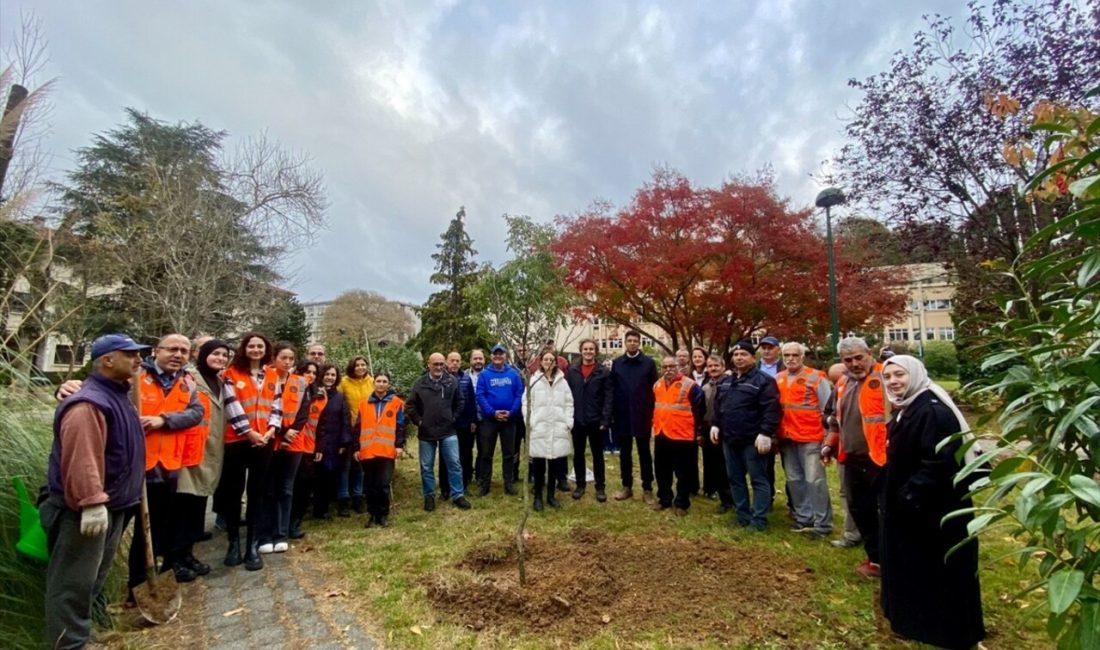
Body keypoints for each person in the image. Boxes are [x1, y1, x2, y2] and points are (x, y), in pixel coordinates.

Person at [41, 334, 148, 650]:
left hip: (114, 506)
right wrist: (91, 501)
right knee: (72, 584)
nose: (139, 360)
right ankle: (71, 644)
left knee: (93, 579)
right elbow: (82, 457)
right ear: (108, 360)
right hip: (83, 511)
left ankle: (85, 635)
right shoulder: (88, 403)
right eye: (131, 355)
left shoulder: (117, 395)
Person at [880, 355, 985, 649]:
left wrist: (908, 495)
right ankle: (915, 622)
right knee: (916, 571)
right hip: (912, 511)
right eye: (887, 378)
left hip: (934, 513)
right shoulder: (910, 406)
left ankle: (947, 631)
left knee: (943, 574)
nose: (893, 382)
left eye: (899, 375)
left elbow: (941, 462)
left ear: (914, 374)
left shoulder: (932, 411)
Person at [128, 333, 206, 599]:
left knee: (155, 530)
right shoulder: (136, 377)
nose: (178, 355)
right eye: (172, 349)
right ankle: (124, 587)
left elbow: (196, 414)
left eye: (184, 351)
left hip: (168, 466)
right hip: (134, 465)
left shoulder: (186, 382)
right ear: (156, 351)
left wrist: (165, 419)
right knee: (128, 529)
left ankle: (146, 584)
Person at [214, 332, 282, 571]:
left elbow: (276, 404)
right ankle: (233, 543)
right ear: (244, 348)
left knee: (257, 493)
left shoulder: (273, 374)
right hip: (238, 441)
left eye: (260, 346)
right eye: (251, 346)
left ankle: (252, 544)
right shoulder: (231, 374)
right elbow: (232, 405)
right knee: (233, 493)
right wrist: (249, 432)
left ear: (266, 350)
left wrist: (271, 430)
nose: (255, 350)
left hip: (264, 442)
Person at [823, 337, 887, 578]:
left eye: (859, 357)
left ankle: (890, 558)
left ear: (869, 353)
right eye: (848, 360)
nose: (854, 363)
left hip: (880, 458)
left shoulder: (885, 378)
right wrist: (830, 443)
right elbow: (835, 420)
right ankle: (875, 559)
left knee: (884, 510)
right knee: (860, 508)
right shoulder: (842, 383)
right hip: (851, 456)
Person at [175, 339, 236, 570]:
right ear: (202, 354)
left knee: (198, 505)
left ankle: (188, 555)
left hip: (211, 451)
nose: (220, 358)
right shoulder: (188, 378)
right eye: (216, 354)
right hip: (189, 452)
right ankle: (175, 560)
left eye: (224, 355)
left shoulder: (221, 381)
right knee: (183, 506)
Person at [712, 340, 781, 531]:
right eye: (736, 355)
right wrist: (716, 425)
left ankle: (759, 520)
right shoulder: (727, 381)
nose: (739, 358)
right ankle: (742, 515)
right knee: (735, 478)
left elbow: (771, 409)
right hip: (730, 438)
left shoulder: (764, 381)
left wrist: (766, 432)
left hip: (753, 440)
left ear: (753, 357)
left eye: (743, 354)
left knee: (758, 479)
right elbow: (719, 405)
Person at [775, 342, 833, 539]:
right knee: (794, 480)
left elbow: (827, 409)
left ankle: (822, 523)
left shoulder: (816, 377)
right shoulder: (778, 379)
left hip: (811, 437)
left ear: (802, 356)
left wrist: (827, 437)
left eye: (794, 355)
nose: (790, 358)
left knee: (815, 481)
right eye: (787, 355)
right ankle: (803, 517)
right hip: (788, 438)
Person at [406, 353, 471, 511]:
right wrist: (419, 421)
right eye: (435, 364)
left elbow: (460, 401)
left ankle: (458, 495)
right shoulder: (419, 384)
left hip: (448, 430)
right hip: (426, 432)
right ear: (428, 364)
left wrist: (453, 417)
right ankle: (429, 496)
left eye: (442, 364)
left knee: (455, 464)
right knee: (427, 466)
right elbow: (410, 405)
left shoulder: (452, 381)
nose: (439, 367)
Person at [258, 343, 304, 554]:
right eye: (283, 358)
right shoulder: (265, 378)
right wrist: (280, 431)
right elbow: (263, 409)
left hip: (293, 443)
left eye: (291, 359)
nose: (287, 362)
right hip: (269, 439)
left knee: (286, 489)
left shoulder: (300, 382)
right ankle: (265, 534)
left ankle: (281, 533)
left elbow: (304, 411)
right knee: (268, 488)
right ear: (274, 358)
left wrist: (291, 431)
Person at [652, 356, 705, 515]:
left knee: (684, 472)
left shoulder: (690, 386)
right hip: (662, 433)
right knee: (662, 471)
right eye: (664, 366)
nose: (668, 369)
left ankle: (682, 503)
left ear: (678, 367)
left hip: (683, 436)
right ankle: (664, 499)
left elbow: (699, 411)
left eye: (671, 366)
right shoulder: (657, 385)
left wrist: (698, 432)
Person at [610, 330, 658, 502]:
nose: (632, 343)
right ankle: (627, 486)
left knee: (644, 453)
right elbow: (612, 389)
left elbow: (655, 391)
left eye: (635, 341)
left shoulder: (649, 363)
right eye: (629, 340)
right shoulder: (617, 364)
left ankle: (647, 488)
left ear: (639, 343)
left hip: (642, 415)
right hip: (622, 415)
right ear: (625, 342)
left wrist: (653, 415)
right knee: (625, 453)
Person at [524, 351, 574, 512]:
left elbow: (569, 403)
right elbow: (526, 403)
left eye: (551, 360)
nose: (548, 362)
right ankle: (538, 496)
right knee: (538, 464)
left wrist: (568, 422)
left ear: (555, 362)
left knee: (554, 464)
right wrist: (530, 421)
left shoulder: (562, 382)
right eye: (545, 359)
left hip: (557, 426)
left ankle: (551, 496)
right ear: (541, 362)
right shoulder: (534, 380)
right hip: (540, 427)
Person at [356, 371, 407, 527]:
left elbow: (400, 426)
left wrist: (399, 446)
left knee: (383, 484)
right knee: (370, 485)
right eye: (379, 381)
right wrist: (356, 448)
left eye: (385, 381)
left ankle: (383, 515)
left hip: (386, 450)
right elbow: (357, 428)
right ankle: (372, 514)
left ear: (388, 385)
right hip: (368, 450)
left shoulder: (396, 403)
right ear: (373, 383)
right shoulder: (364, 404)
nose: (381, 384)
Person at [474, 344, 525, 496]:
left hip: (509, 420)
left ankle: (508, 483)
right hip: (489, 420)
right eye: (495, 354)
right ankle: (485, 484)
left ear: (505, 356)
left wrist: (512, 411)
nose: (498, 357)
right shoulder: (484, 375)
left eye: (501, 354)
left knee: (509, 453)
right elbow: (480, 395)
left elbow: (519, 394)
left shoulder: (513, 374)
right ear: (491, 357)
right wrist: (492, 412)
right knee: (486, 453)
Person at [566, 339, 613, 502]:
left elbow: (608, 397)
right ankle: (580, 485)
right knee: (578, 454)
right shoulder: (572, 371)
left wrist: (605, 419)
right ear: (581, 351)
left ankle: (600, 487)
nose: (588, 351)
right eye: (585, 349)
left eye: (591, 349)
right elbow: (567, 395)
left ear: (596, 351)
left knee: (597, 454)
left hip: (596, 420)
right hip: (577, 420)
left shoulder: (603, 372)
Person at [825, 361, 863, 549]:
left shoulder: (872, 385)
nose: (837, 383)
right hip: (845, 450)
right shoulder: (841, 387)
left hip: (870, 452)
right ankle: (852, 533)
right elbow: (832, 417)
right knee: (847, 492)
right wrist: (829, 443)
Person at [311, 364, 354, 520]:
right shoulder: (313, 394)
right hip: (315, 441)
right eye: (327, 374)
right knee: (317, 476)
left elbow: (346, 420)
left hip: (335, 442)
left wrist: (344, 442)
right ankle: (317, 509)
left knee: (331, 475)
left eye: (333, 375)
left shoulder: (340, 397)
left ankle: (328, 507)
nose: (330, 377)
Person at [337, 356, 373, 515]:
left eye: (363, 365)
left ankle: (358, 497)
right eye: (357, 365)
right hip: (348, 429)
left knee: (360, 466)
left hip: (366, 430)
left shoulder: (371, 381)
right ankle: (343, 498)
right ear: (352, 366)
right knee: (345, 466)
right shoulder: (344, 383)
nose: (360, 367)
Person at [698, 354, 732, 512]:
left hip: (726, 428)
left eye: (716, 366)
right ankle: (723, 497)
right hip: (708, 428)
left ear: (723, 367)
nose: (713, 368)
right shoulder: (705, 387)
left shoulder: (731, 384)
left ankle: (731, 498)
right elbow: (701, 410)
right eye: (710, 366)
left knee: (727, 465)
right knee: (714, 464)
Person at [456, 349, 485, 488]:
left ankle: (480, 475)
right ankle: (466, 475)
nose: (478, 361)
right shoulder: (464, 376)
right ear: (470, 360)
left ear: (484, 360)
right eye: (475, 358)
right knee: (466, 449)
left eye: (480, 358)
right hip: (468, 420)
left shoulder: (488, 375)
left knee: (483, 449)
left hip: (485, 418)